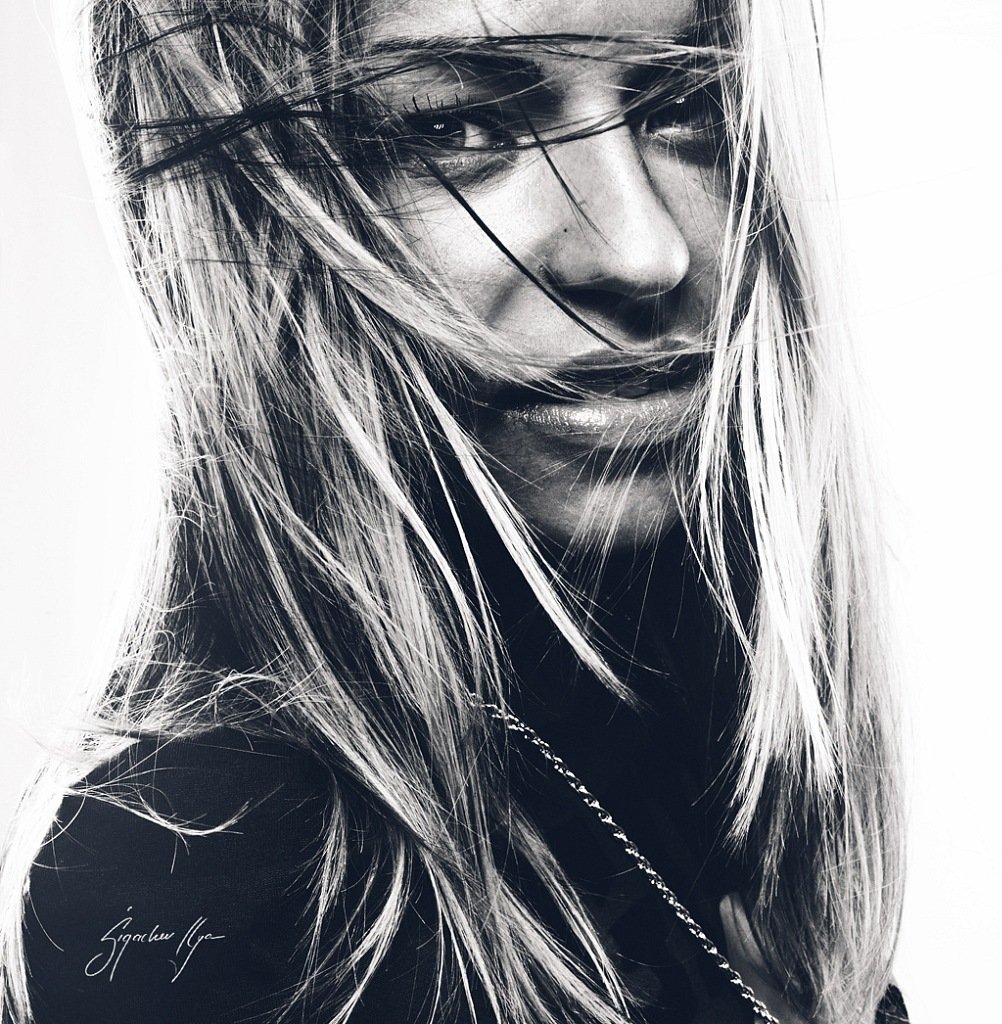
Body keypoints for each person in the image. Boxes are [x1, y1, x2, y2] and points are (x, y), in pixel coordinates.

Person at [0, 0, 907, 1022]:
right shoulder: (205, 872)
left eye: (682, 103)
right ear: (243, 204)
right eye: (458, 127)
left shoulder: (688, 752)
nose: (645, 251)